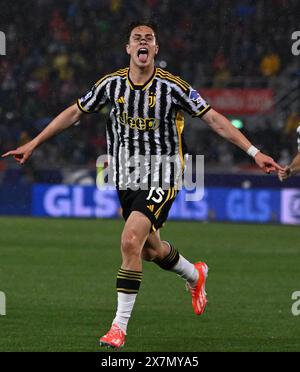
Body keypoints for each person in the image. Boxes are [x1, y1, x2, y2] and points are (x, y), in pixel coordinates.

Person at [2, 20, 283, 349]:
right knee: (149, 249)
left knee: (130, 240)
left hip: (163, 173)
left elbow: (214, 119)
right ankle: (194, 274)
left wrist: (254, 151)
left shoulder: (173, 87)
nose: (143, 42)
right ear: (128, 49)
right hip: (126, 176)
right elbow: (74, 113)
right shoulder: (111, 85)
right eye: (137, 38)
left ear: (156, 49)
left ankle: (118, 328)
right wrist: (33, 143)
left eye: (149, 38)